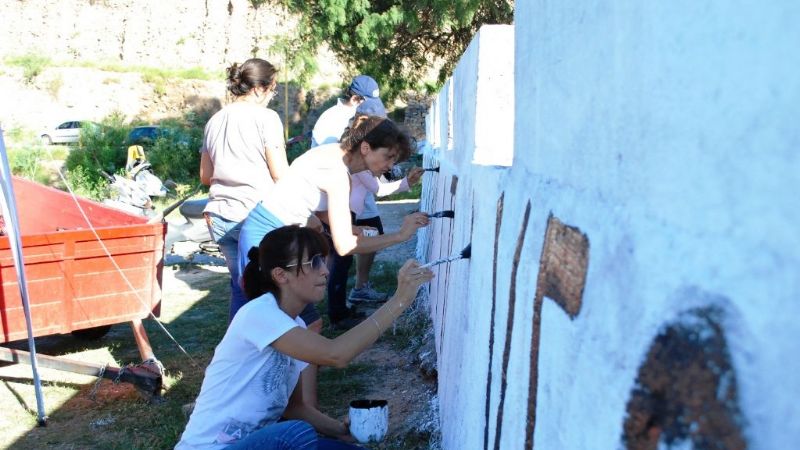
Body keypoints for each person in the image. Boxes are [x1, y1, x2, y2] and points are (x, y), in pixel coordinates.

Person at [175, 225, 434, 449]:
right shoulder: (258, 314)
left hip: (259, 443)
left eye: (323, 260)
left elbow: (294, 407)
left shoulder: (294, 324)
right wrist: (400, 300)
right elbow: (336, 354)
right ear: (281, 275)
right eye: (313, 263)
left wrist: (340, 431)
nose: (325, 271)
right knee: (294, 435)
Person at [199, 58, 287, 322]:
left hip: (220, 215)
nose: (273, 95)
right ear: (260, 88)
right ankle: (267, 349)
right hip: (254, 214)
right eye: (273, 89)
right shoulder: (267, 118)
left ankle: (239, 350)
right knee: (267, 289)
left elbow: (205, 176)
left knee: (242, 285)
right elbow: (280, 173)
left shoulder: (214, 120)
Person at [311, 75, 380, 147]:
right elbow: (327, 155)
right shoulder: (333, 122)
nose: (373, 108)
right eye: (369, 103)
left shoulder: (351, 116)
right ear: (354, 99)